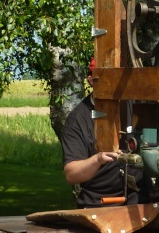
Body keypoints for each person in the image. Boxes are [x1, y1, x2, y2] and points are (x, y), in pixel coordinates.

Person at [61, 58, 142, 208]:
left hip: (141, 202)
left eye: (116, 77)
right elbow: (71, 174)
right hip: (100, 204)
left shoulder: (136, 105)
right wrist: (98, 159)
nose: (112, 82)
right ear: (91, 80)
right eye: (105, 77)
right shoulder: (78, 120)